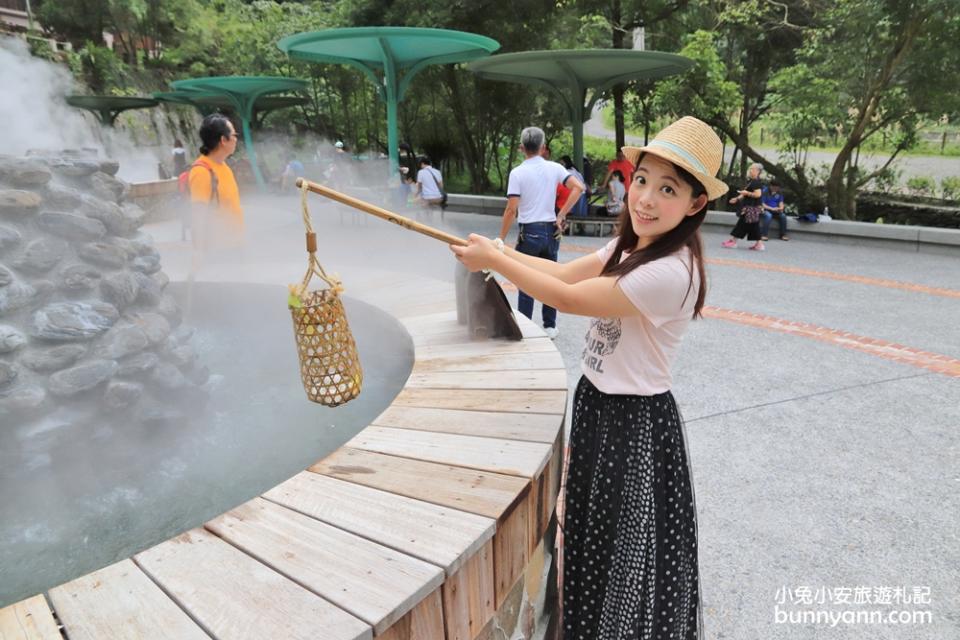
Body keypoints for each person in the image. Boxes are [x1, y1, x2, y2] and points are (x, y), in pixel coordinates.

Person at [451, 115, 724, 639]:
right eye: (642, 179)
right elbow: (561, 273)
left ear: (695, 204)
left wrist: (497, 260)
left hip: (636, 424)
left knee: (628, 555)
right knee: (589, 537)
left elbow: (570, 300)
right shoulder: (632, 246)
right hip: (599, 405)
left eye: (668, 189)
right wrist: (497, 253)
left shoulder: (672, 270)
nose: (644, 198)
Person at [496, 126, 585, 340]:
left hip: (530, 231)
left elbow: (511, 209)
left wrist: (501, 237)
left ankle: (526, 325)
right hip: (551, 230)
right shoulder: (554, 168)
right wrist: (561, 214)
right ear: (543, 147)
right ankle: (550, 326)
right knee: (551, 277)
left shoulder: (517, 173)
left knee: (526, 279)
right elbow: (579, 187)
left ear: (521, 148)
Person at [188, 113, 243, 249]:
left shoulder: (224, 167)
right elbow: (197, 216)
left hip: (234, 245)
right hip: (216, 250)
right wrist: (198, 254)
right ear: (223, 140)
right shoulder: (202, 171)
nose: (236, 139)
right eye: (234, 135)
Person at [722, 162, 765, 251]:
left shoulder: (756, 183)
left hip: (751, 208)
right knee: (753, 226)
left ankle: (733, 242)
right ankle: (759, 244)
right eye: (750, 169)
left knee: (742, 224)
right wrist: (737, 199)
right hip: (749, 208)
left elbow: (758, 195)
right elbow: (744, 193)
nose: (750, 171)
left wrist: (747, 193)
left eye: (752, 169)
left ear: (757, 171)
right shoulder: (751, 182)